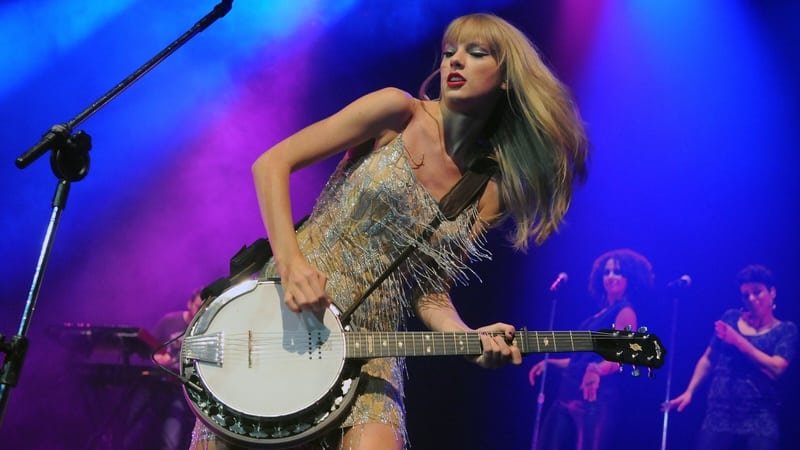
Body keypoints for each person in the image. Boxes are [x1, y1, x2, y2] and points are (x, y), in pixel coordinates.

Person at [191, 13, 589, 450]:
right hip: (287, 307)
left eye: (476, 54)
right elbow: (271, 164)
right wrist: (291, 264)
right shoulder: (396, 112)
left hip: (372, 343)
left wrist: (470, 339)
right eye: (449, 52)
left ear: (506, 80)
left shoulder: (487, 190)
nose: (455, 62)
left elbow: (431, 290)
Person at [528, 248, 655, 450]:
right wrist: (550, 362)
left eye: (617, 272)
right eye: (607, 272)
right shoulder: (595, 317)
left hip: (594, 398)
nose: (610, 277)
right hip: (567, 395)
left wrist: (597, 369)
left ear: (629, 278)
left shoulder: (625, 311)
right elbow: (581, 359)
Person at [664, 264, 798, 450]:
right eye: (745, 295)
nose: (751, 299)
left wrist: (739, 342)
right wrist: (690, 391)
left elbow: (777, 367)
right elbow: (708, 359)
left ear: (772, 292)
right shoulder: (730, 318)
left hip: (759, 417)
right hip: (719, 415)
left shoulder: (785, 330)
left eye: (757, 292)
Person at [149, 288, 205, 450]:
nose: (199, 311)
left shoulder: (206, 328)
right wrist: (157, 358)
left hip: (181, 388)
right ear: (189, 303)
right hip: (157, 382)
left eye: (203, 308)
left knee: (172, 433)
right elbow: (149, 346)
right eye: (197, 306)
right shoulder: (170, 321)